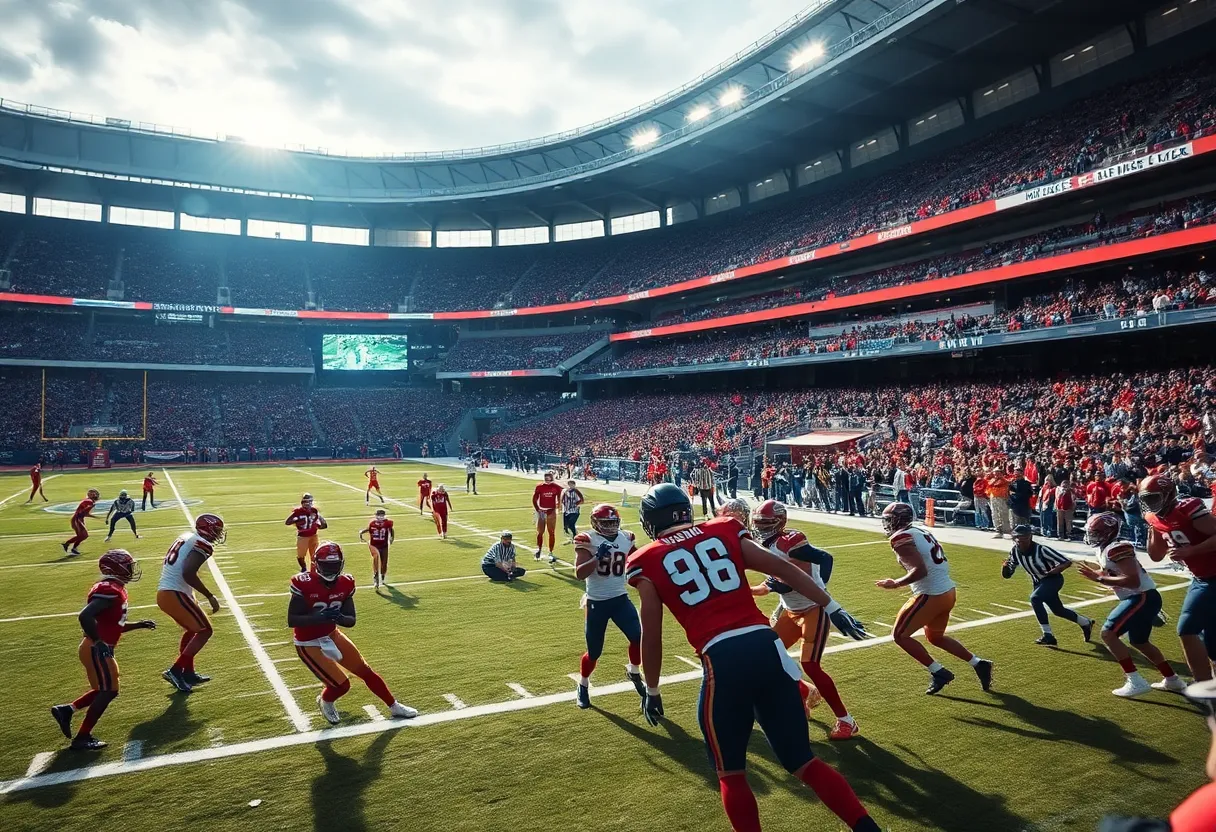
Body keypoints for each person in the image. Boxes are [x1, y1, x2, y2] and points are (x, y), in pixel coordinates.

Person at [625, 483, 877, 832]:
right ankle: (868, 828)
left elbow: (650, 634)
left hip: (723, 656)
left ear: (649, 519)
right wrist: (831, 606)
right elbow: (783, 568)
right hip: (767, 646)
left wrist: (652, 689)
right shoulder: (724, 527)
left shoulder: (644, 559)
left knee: (731, 772)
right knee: (804, 761)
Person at [751, 500, 858, 741]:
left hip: (813, 608)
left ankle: (846, 721)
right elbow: (768, 586)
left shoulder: (790, 543)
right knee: (769, 656)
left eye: (766, 523)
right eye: (758, 523)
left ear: (780, 522)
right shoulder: (765, 545)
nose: (761, 527)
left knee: (810, 664)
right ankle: (804, 691)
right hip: (791, 612)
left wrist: (821, 589)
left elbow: (825, 558)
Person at [288, 542, 417, 724]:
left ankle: (394, 706)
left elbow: (351, 620)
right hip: (308, 642)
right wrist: (320, 616)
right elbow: (292, 619)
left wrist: (338, 617)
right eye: (327, 565)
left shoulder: (345, 583)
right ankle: (326, 700)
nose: (331, 569)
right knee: (342, 686)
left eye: (334, 565)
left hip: (332, 634)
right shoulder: (304, 584)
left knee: (366, 672)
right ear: (317, 564)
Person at [877, 502, 994, 695]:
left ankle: (939, 672)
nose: (887, 524)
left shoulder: (901, 538)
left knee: (900, 635)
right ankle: (978, 663)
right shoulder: (919, 531)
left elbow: (920, 570)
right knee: (935, 637)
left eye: (889, 520)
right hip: (948, 591)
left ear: (899, 519)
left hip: (931, 594)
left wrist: (896, 583)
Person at [50, 549, 156, 751]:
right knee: (108, 691)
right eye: (128, 565)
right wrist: (99, 642)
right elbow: (85, 616)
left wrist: (137, 625)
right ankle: (82, 737)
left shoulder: (113, 587)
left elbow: (111, 624)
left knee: (103, 690)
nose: (131, 569)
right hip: (97, 648)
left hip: (95, 647)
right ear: (115, 568)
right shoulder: (110, 590)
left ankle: (67, 710)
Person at [1076, 512, 1185, 697]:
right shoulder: (1105, 548)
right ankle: (1173, 679)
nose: (1091, 536)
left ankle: (1135, 681)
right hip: (1141, 598)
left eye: (1095, 532)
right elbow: (1110, 572)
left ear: (1108, 532)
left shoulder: (1117, 548)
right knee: (1139, 641)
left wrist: (1100, 579)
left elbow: (1132, 580)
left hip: (1141, 596)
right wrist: (1099, 575)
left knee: (1108, 633)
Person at [1142, 473, 1216, 683]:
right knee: (1213, 643)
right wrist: (1153, 528)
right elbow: (1156, 556)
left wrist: (1192, 551)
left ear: (1168, 494)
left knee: (1187, 628)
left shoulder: (1187, 510)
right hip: (1201, 577)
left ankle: (1204, 686)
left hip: (1212, 576)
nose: (1150, 503)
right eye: (1146, 499)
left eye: (1154, 497)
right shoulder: (1155, 518)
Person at [572, 504, 645, 709]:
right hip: (597, 602)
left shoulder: (625, 537)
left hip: (620, 598)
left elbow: (636, 558)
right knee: (594, 652)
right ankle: (583, 684)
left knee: (637, 636)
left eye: (613, 522)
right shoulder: (588, 540)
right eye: (606, 523)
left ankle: (633, 670)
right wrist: (597, 557)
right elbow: (579, 574)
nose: (611, 527)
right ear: (596, 523)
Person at [156, 513, 225, 693]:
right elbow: (188, 572)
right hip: (174, 592)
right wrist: (209, 595)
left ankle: (188, 672)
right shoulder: (203, 544)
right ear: (208, 529)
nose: (219, 533)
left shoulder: (187, 536)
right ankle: (176, 670)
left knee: (194, 630)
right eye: (217, 530)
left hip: (171, 591)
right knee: (205, 631)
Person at [1002, 525, 1092, 646]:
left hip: (1053, 580)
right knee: (1058, 610)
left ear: (1030, 537)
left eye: (1024, 538)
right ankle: (1085, 622)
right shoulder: (1014, 551)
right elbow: (1009, 571)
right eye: (1018, 538)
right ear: (1014, 538)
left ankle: (1048, 635)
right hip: (1039, 583)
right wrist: (1006, 568)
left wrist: (1054, 570)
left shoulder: (1042, 550)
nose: (1021, 541)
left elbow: (1066, 562)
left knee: (1035, 598)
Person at [286, 493, 327, 572]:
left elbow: (324, 525)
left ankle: (313, 569)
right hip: (302, 536)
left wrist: (318, 523)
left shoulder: (314, 511)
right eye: (305, 501)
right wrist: (296, 519)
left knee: (315, 555)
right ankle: (304, 569)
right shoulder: (298, 512)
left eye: (309, 501)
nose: (307, 503)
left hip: (313, 536)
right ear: (302, 502)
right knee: (301, 555)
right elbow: (287, 522)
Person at [359, 508, 395, 588]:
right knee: (376, 559)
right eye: (379, 515)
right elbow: (369, 529)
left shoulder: (387, 523)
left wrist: (392, 537)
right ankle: (376, 577)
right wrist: (362, 532)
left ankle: (382, 575)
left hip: (384, 545)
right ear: (376, 516)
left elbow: (391, 530)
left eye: (381, 515)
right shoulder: (372, 523)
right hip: (374, 545)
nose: (380, 517)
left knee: (384, 562)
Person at [532, 472, 563, 563]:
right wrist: (537, 509)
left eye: (549, 478)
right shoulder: (540, 487)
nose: (547, 480)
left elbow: (561, 496)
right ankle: (539, 549)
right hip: (542, 511)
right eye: (546, 478)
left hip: (551, 511)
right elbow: (534, 498)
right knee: (540, 532)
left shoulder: (556, 487)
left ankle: (551, 551)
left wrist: (558, 506)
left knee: (551, 532)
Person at [62, 488, 101, 557]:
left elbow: (85, 513)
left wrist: (95, 517)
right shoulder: (90, 502)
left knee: (83, 535)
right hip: (77, 519)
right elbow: (82, 512)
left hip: (78, 519)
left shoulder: (89, 501)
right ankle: (69, 545)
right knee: (83, 535)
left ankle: (72, 547)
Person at [561, 479, 585, 544]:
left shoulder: (577, 491)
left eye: (572, 484)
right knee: (565, 525)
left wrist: (576, 504)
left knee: (571, 524)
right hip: (566, 511)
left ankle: (575, 537)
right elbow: (562, 499)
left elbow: (582, 500)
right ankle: (570, 537)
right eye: (569, 484)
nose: (570, 486)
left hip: (574, 511)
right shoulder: (566, 491)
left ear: (574, 485)